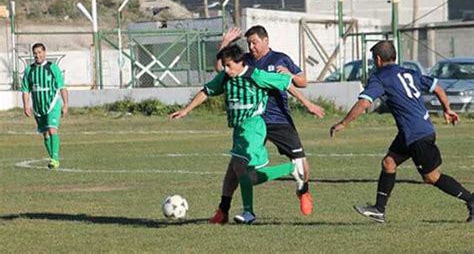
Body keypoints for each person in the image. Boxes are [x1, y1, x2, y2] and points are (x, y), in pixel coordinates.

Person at [170, 45, 322, 224]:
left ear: (240, 62)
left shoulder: (255, 75)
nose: (226, 69)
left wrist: (308, 104)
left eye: (229, 65)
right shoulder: (225, 78)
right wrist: (186, 110)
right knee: (238, 171)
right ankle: (241, 212)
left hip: (253, 128)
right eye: (224, 66)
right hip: (239, 130)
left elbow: (286, 83)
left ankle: (291, 169)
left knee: (247, 174)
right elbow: (207, 91)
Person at [330, 40, 474, 223]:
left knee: (431, 177)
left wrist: (343, 123)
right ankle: (378, 209)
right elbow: (437, 87)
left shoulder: (380, 76)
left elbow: (365, 102)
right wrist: (447, 109)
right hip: (413, 131)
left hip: (417, 135)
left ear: (378, 59)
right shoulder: (409, 72)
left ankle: (471, 199)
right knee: (389, 163)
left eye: (374, 60)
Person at [210, 26, 324, 223]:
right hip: (251, 120)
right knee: (236, 167)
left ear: (266, 40)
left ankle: (304, 191)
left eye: (254, 42)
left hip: (278, 119)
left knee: (301, 160)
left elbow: (301, 82)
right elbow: (221, 70)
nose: (251, 46)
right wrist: (225, 43)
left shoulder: (280, 58)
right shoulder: (243, 60)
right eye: (249, 43)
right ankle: (224, 210)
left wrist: (292, 76)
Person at [21, 43, 68, 169]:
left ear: (45, 52)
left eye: (40, 52)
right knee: (45, 134)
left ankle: (55, 159)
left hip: (52, 104)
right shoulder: (29, 70)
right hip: (38, 107)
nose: (37, 55)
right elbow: (25, 90)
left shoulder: (53, 68)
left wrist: (65, 105)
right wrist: (26, 106)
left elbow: (62, 87)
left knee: (52, 129)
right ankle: (53, 157)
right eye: (35, 53)